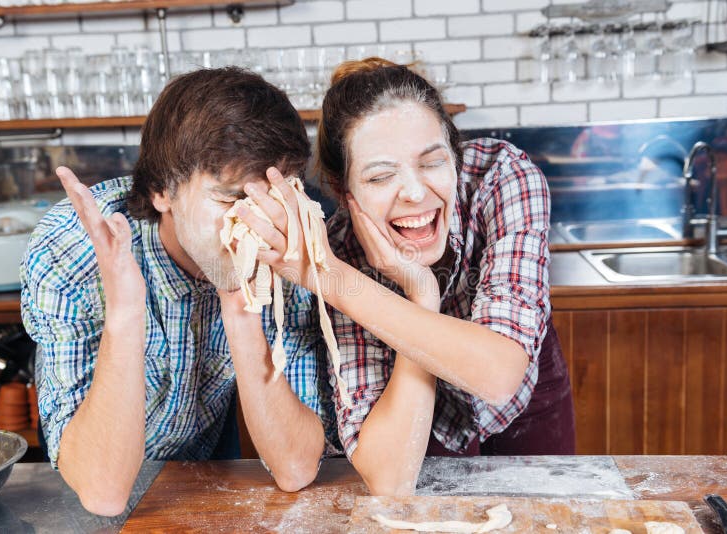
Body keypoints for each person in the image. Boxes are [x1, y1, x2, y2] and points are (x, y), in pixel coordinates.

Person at [234, 58, 575, 496]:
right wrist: (420, 294)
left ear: (456, 155)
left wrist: (329, 280)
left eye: (433, 163)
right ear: (344, 191)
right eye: (381, 176)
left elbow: (499, 374)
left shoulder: (502, 176)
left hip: (525, 405)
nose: (414, 192)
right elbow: (390, 477)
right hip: (417, 420)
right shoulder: (339, 250)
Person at [20, 68, 337, 516]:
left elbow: (295, 468)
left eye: (273, 198)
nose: (259, 224)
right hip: (86, 482)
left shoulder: (290, 241)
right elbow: (103, 493)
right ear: (161, 191)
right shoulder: (72, 249)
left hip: (202, 473)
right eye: (229, 202)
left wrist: (239, 300)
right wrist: (126, 312)